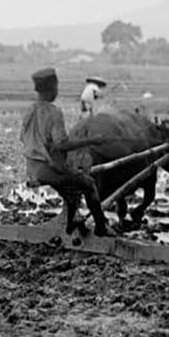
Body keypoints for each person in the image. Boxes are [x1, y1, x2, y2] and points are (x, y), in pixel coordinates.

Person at [22, 68, 115, 237]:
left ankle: (71, 223)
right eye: (56, 87)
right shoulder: (53, 112)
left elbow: (24, 138)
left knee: (72, 192)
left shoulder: (30, 110)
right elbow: (62, 144)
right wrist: (91, 141)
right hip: (49, 170)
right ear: (52, 88)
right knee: (88, 183)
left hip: (32, 168)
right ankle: (101, 227)